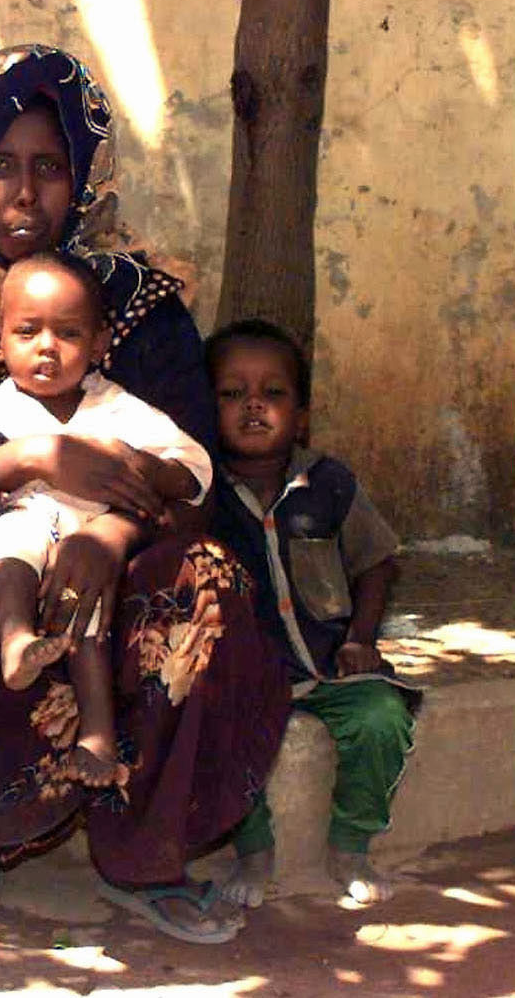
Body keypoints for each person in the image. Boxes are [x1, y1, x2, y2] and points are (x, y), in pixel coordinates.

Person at [0, 44, 292, 943]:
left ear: (86, 174)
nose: (24, 194)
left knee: (206, 583)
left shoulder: (136, 301)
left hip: (108, 552)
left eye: (50, 167)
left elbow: (193, 477)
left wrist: (109, 532)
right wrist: (32, 460)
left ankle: (145, 849)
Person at [0, 252, 211, 788]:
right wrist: (1, 472)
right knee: (11, 540)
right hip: (25, 520)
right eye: (27, 331)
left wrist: (141, 465)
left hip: (86, 539)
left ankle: (97, 733)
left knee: (88, 612)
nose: (46, 347)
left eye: (68, 333)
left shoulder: (121, 410)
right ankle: (16, 639)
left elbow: (194, 469)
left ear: (100, 344)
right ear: (0, 340)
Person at [205, 319, 417, 909]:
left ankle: (351, 845)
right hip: (245, 671)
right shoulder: (203, 494)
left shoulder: (330, 483)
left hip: (330, 664)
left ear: (300, 414)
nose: (253, 404)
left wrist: (361, 639)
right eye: (232, 393)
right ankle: (253, 851)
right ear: (207, 406)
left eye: (273, 393)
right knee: (217, 725)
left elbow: (376, 562)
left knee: (381, 715)